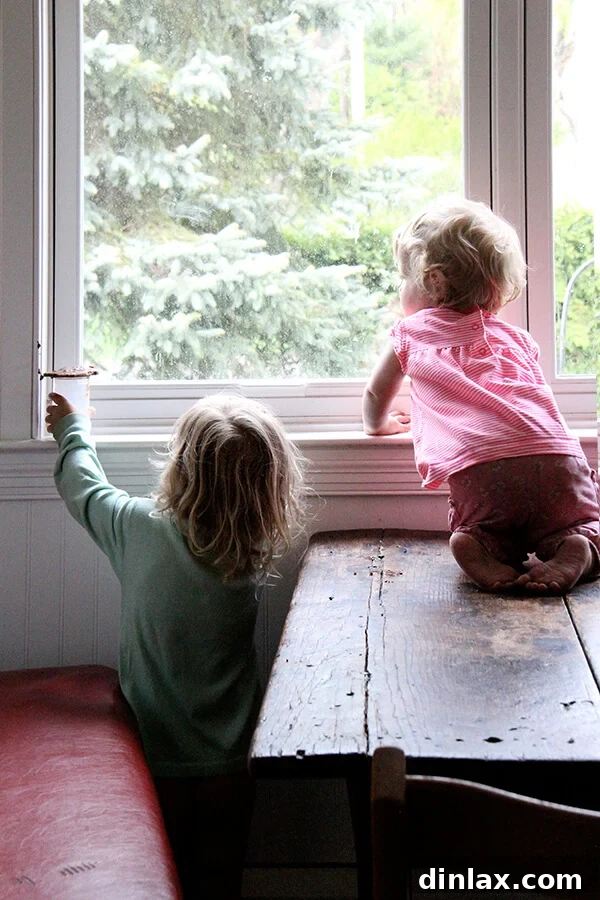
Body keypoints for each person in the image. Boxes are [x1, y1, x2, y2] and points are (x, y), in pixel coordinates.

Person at [45, 391, 306, 898]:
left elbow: (82, 485)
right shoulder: (249, 547)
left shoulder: (136, 528)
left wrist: (71, 428)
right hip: (233, 762)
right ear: (267, 486)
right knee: (219, 884)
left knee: (159, 882)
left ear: (181, 468)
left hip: (153, 756)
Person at [362, 198, 600, 594]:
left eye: (404, 280)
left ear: (433, 282)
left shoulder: (411, 333)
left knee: (479, 527)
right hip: (558, 460)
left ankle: (475, 547)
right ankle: (576, 545)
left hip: (484, 472)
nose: (401, 290)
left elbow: (375, 393)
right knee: (577, 521)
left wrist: (379, 425)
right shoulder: (518, 340)